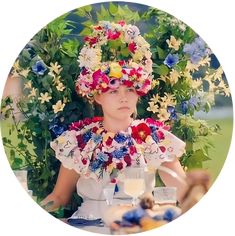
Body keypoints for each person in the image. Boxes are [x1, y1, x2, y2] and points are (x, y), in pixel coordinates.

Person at [41, 21, 187, 220]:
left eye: (130, 90)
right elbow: (59, 197)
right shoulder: (79, 141)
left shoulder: (154, 138)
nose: (123, 97)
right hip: (88, 223)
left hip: (138, 223)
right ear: (98, 96)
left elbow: (185, 193)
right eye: (113, 91)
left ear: (138, 94)